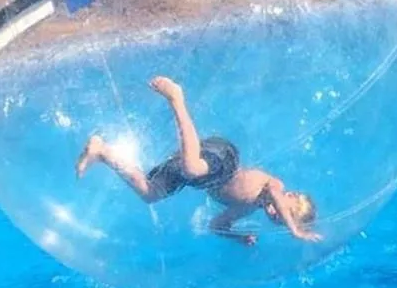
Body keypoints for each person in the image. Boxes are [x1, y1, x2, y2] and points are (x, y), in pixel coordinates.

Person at [76, 76, 321, 246]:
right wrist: (295, 230)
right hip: (224, 160)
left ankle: (101, 151)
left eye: (277, 219)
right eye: (284, 212)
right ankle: (176, 98)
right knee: (192, 167)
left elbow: (215, 225)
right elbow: (276, 198)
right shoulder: (275, 187)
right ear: (289, 197)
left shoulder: (245, 209)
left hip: (201, 178)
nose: (275, 214)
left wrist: (237, 237)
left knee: (150, 194)